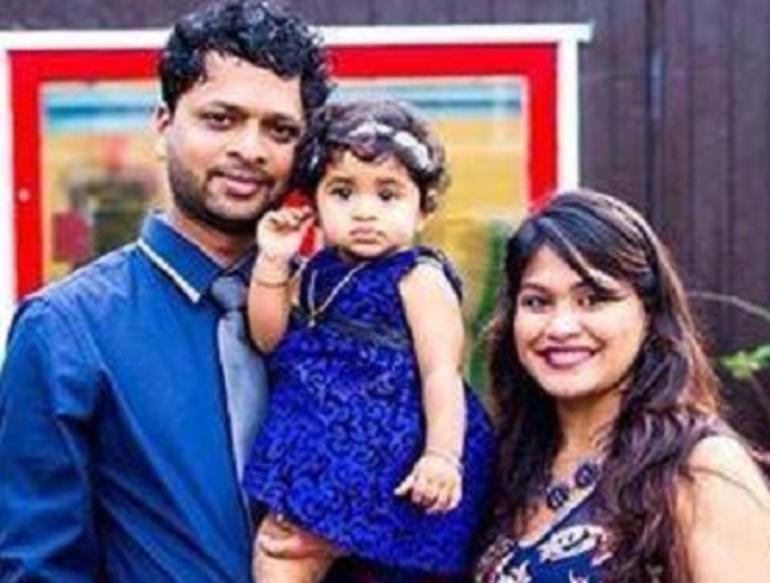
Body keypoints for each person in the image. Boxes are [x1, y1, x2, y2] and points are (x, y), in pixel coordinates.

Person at [0, 1, 332, 580]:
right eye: (221, 119)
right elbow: (39, 567)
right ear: (163, 126)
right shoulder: (66, 329)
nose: (251, 148)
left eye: (279, 129)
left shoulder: (334, 308)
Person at [242, 100, 494, 582]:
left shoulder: (418, 278)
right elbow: (268, 338)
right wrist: (272, 261)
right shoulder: (313, 272)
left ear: (423, 210)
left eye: (387, 195)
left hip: (386, 449)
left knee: (292, 553)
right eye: (342, 192)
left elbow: (442, 373)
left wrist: (442, 456)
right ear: (315, 205)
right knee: (282, 549)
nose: (364, 212)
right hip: (321, 444)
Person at [475, 189, 770, 582]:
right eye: (537, 302)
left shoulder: (697, 468)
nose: (560, 327)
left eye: (592, 299)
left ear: (649, 314)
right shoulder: (506, 466)